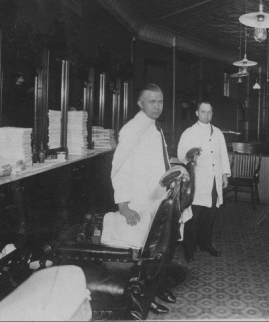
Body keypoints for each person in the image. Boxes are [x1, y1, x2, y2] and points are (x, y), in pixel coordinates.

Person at [109, 83, 174, 314]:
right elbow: (118, 167)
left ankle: (155, 288)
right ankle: (145, 297)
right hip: (138, 201)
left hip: (155, 199)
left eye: (160, 101)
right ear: (140, 103)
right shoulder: (132, 128)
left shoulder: (153, 127)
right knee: (143, 253)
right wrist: (123, 205)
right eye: (152, 102)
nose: (157, 106)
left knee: (156, 250)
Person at [177, 101, 231, 263]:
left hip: (214, 181)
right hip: (198, 182)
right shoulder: (189, 132)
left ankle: (206, 244)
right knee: (194, 217)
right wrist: (191, 154)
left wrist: (224, 175)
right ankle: (189, 249)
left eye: (209, 112)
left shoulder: (218, 133)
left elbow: (223, 155)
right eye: (203, 112)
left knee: (210, 215)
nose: (206, 115)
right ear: (197, 113)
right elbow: (181, 154)